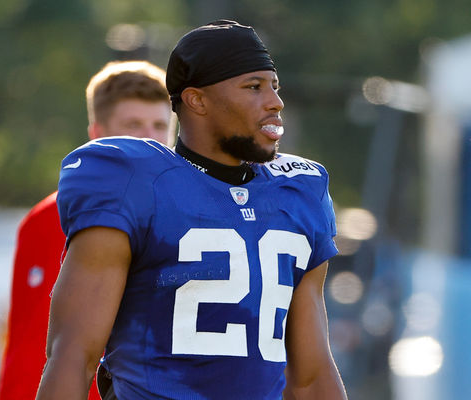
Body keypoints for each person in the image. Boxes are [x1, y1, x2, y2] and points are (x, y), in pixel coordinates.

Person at [37, 20, 347, 400]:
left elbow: (312, 376)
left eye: (274, 86)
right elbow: (73, 356)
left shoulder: (298, 192)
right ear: (197, 100)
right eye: (253, 87)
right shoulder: (135, 181)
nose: (275, 102)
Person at [0, 60, 174, 400]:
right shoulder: (49, 217)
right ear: (98, 134)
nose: (150, 139)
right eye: (134, 126)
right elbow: (30, 345)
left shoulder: (190, 217)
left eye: (159, 126)